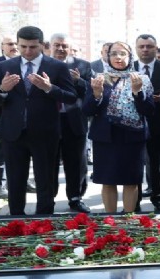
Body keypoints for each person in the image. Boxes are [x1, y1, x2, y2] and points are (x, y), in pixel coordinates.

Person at [0, 26, 77, 215]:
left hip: (45, 132)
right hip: (13, 133)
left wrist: (49, 88)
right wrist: (3, 90)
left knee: (45, 179)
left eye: (32, 47)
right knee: (15, 179)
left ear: (42, 45)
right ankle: (15, 219)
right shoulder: (5, 66)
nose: (27, 51)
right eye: (23, 47)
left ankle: (44, 220)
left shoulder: (57, 66)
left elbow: (71, 97)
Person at [83, 41, 154, 213]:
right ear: (107, 57)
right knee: (108, 180)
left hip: (132, 138)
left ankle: (129, 219)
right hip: (105, 137)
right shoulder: (99, 78)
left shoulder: (140, 79)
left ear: (130, 57)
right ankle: (111, 220)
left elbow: (149, 110)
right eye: (114, 53)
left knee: (131, 180)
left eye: (123, 53)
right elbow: (87, 110)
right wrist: (97, 94)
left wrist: (138, 93)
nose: (118, 57)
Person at [50, 33, 92, 213]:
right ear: (50, 46)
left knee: (76, 162)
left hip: (74, 120)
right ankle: (48, 198)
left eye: (64, 46)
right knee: (48, 161)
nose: (60, 49)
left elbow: (92, 92)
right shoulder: (44, 64)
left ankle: (76, 197)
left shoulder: (83, 65)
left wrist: (79, 81)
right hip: (49, 120)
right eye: (57, 45)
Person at [133, 34, 160, 212]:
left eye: (149, 46)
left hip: (159, 122)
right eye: (142, 46)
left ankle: (158, 198)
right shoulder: (128, 68)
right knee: (134, 163)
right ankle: (134, 200)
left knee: (157, 163)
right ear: (136, 48)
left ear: (156, 48)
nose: (145, 49)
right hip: (132, 124)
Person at [0, 36, 20, 199]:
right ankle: (0, 185)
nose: (14, 47)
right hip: (2, 115)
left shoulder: (24, 62)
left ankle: (22, 181)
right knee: (2, 153)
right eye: (10, 44)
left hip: (22, 118)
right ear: (2, 46)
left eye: (16, 44)